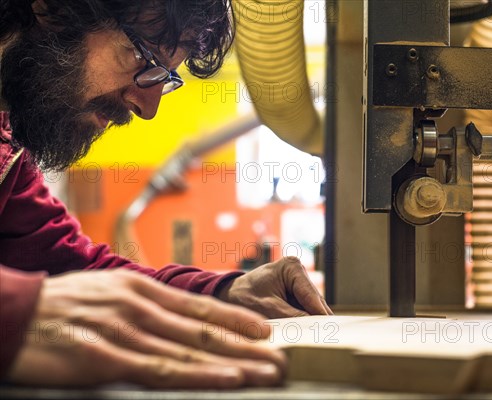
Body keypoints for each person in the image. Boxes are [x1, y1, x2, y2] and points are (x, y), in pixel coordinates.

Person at [0, 0, 332, 388]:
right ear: (52, 10)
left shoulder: (9, 157)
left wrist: (223, 291)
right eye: (145, 60)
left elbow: (77, 268)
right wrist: (16, 311)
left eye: (165, 79)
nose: (148, 106)